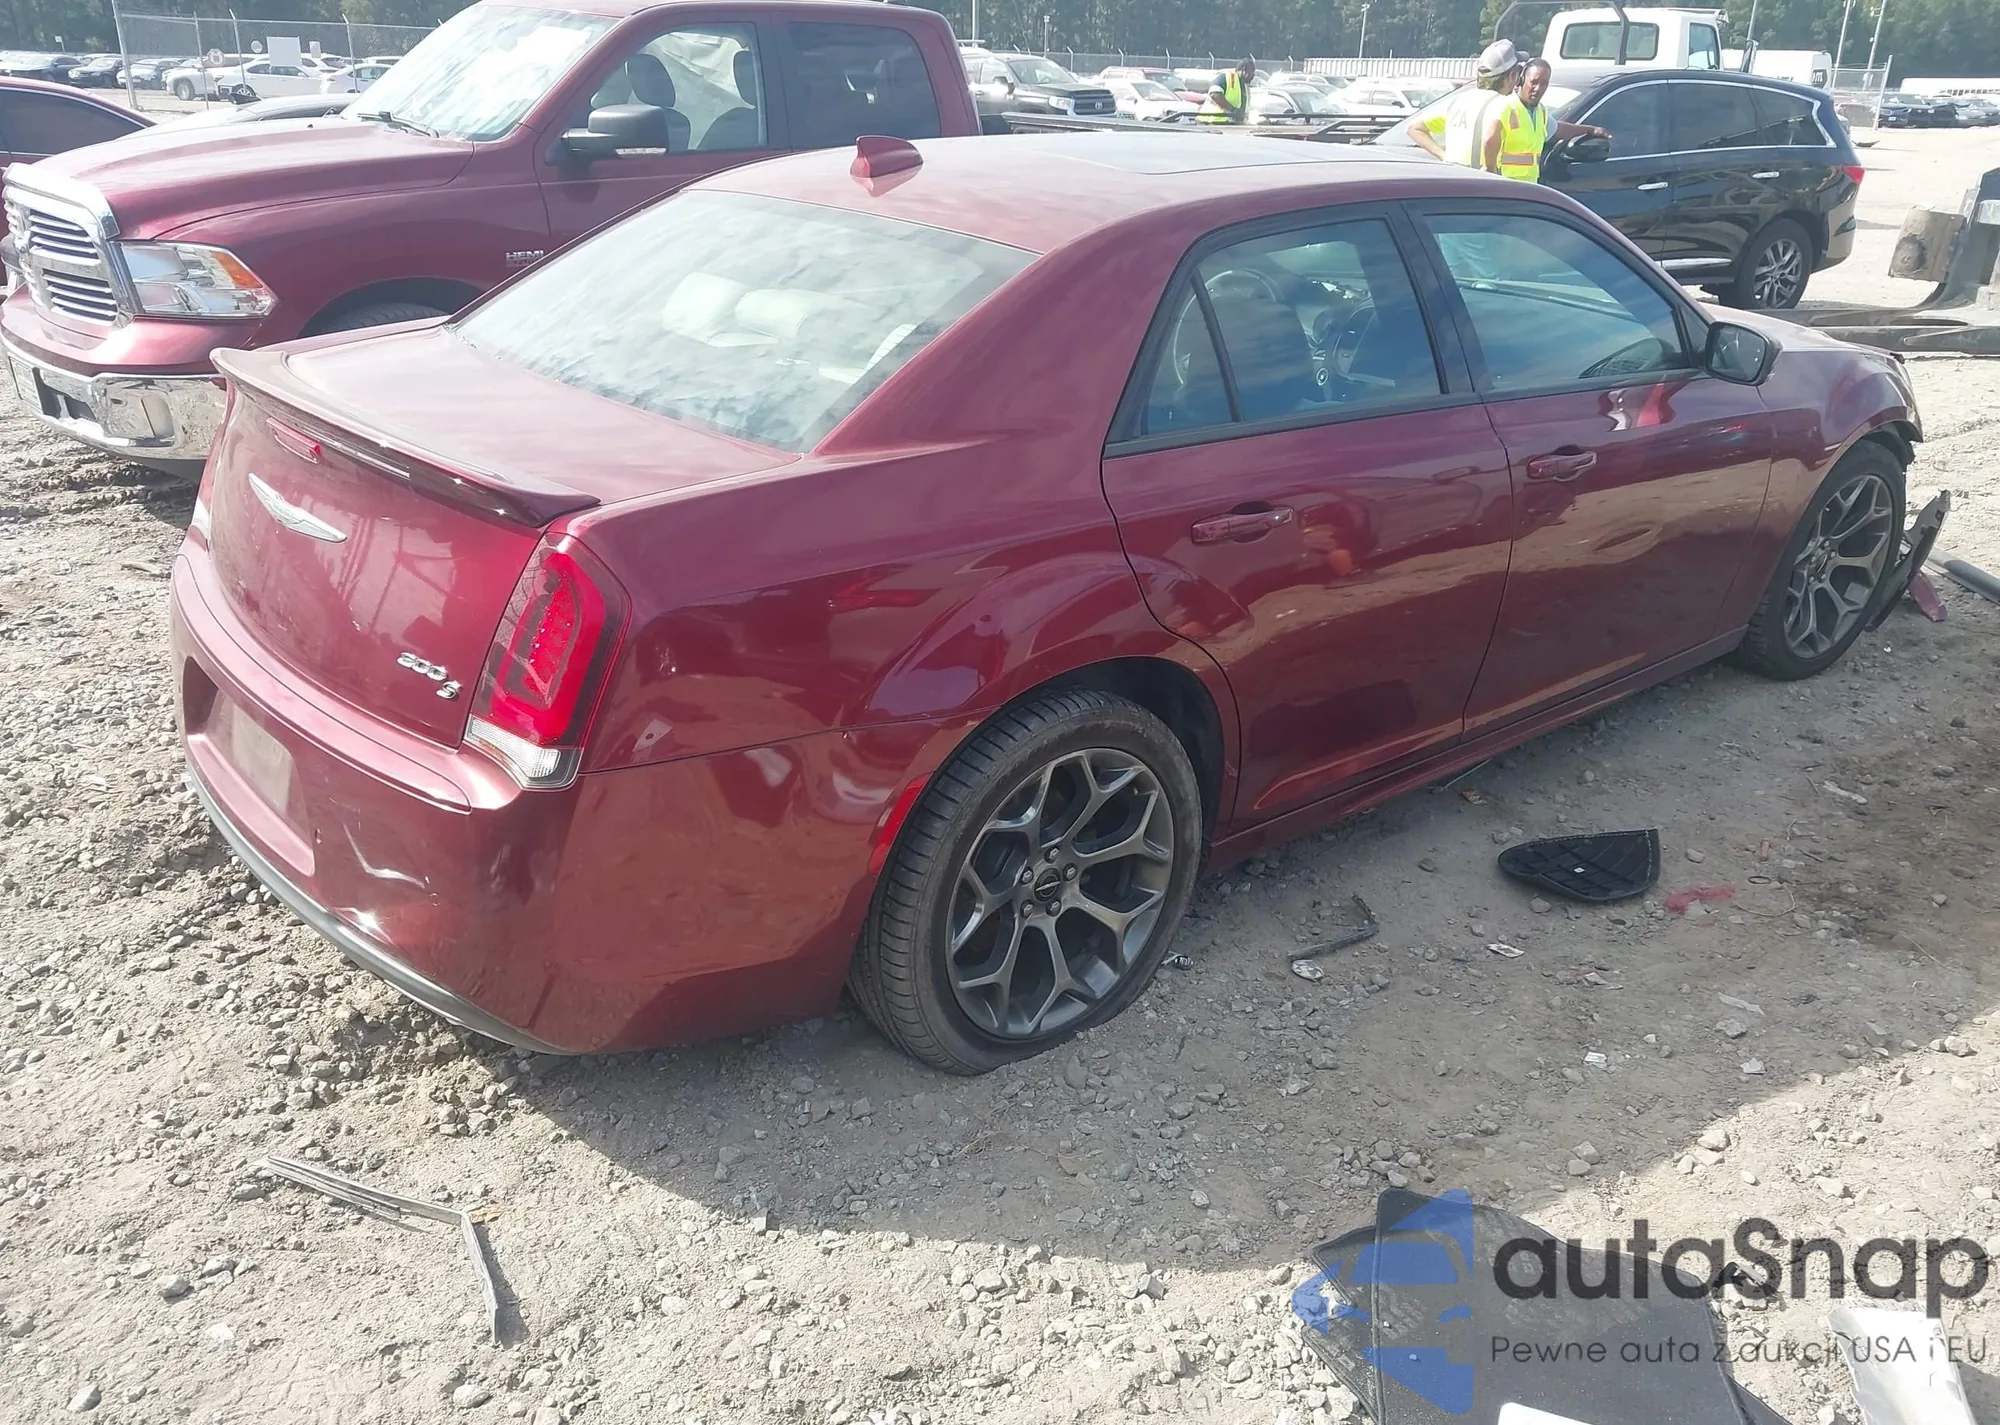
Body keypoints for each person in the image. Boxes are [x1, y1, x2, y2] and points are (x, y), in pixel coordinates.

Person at [1483, 56, 1609, 182]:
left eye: (1544, 84)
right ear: (1521, 80)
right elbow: (1489, 140)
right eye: (1534, 82)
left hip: (1529, 185)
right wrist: (1491, 172)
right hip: (1506, 185)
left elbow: (1558, 130)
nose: (1538, 88)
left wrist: (1590, 130)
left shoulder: (1540, 112)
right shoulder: (1507, 107)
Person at [1408, 40, 1522, 168]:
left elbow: (1414, 128)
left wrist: (1444, 156)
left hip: (1454, 174)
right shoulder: (1506, 105)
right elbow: (1491, 139)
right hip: (1482, 177)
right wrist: (1490, 169)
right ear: (1511, 75)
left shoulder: (1457, 101)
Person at [1198, 58, 1256, 124]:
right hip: (1210, 123)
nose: (1254, 75)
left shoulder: (1245, 86)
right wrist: (1232, 110)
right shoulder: (1228, 77)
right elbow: (1214, 94)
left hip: (1228, 125)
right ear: (1244, 69)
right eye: (1252, 71)